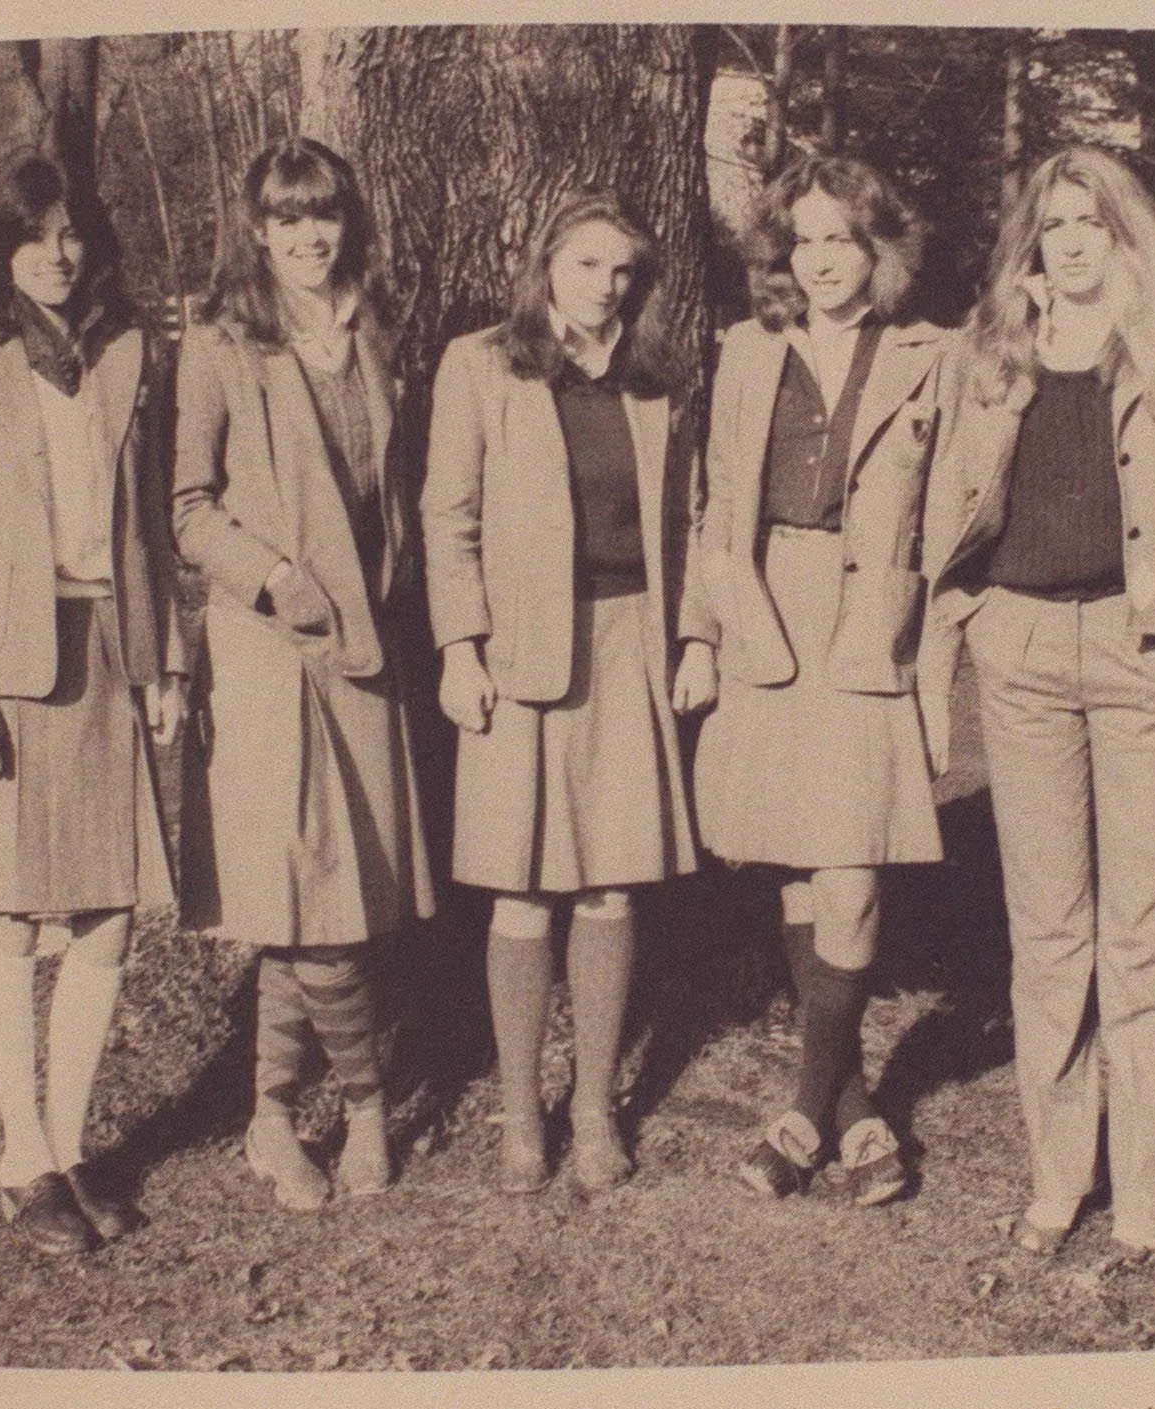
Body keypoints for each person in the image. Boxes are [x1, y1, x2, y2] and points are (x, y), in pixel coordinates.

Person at [919, 145, 1155, 1258]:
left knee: (1142, 936)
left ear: (1124, 230)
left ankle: (1141, 1193)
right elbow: (952, 483)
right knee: (1049, 933)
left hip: (1144, 649)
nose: (1075, 241)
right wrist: (974, 616)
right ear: (1033, 243)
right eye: (1055, 225)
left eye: (1092, 220)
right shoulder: (995, 352)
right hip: (1024, 648)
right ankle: (1060, 1177)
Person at [421, 187, 717, 1194]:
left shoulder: (654, 381)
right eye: (589, 264)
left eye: (624, 270)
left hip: (629, 639)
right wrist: (460, 647)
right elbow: (446, 514)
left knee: (608, 882)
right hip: (519, 651)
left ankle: (593, 1108)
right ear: (547, 264)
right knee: (518, 886)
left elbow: (696, 518)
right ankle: (519, 1114)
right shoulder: (482, 364)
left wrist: (695, 635)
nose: (607, 285)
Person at [172, 138, 435, 1211]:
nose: (307, 238)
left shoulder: (373, 332)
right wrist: (273, 573)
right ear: (257, 229)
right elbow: (188, 509)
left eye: (322, 216)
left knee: (325, 902)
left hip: (366, 650)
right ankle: (367, 1106)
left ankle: (271, 1114)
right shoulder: (222, 343)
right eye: (286, 220)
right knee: (310, 896)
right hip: (273, 650)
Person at [691, 153, 946, 1206]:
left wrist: (935, 655)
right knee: (800, 861)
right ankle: (855, 1112)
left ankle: (803, 1109)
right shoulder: (746, 352)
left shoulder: (934, 355)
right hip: (766, 615)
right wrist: (702, 633)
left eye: (843, 238)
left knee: (850, 870)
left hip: (867, 622)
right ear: (781, 253)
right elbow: (712, 503)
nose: (824, 259)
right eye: (804, 240)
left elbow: (956, 511)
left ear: (878, 246)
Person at [0, 154, 185, 1254]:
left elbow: (151, 528)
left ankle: (70, 1146)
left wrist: (168, 662)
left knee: (108, 912)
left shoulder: (129, 356)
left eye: (73, 232)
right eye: (35, 235)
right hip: (14, 669)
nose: (56, 252)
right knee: (13, 910)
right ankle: (19, 1159)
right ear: (3, 250)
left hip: (112, 655)